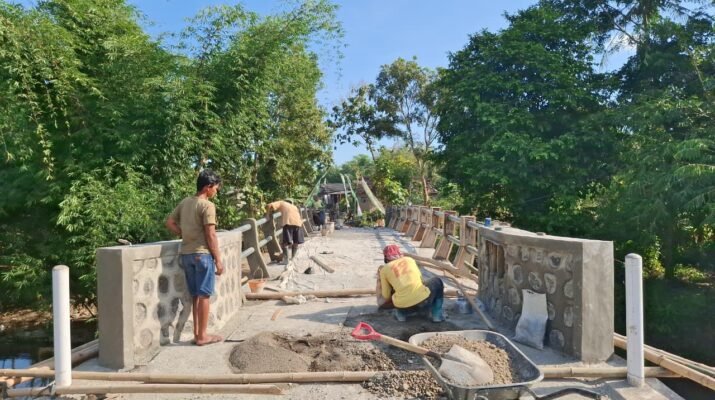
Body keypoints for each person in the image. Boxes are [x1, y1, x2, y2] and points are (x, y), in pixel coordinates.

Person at [165, 169, 224, 346]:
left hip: (187, 255)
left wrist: (184, 234)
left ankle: (198, 334)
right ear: (208, 187)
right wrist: (218, 260)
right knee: (204, 295)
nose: (216, 191)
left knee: (196, 296)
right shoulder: (207, 206)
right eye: (215, 188)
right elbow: (211, 235)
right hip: (202, 255)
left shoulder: (185, 202)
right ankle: (202, 336)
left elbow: (169, 222)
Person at [377, 244, 445, 322]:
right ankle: (437, 316)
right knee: (437, 281)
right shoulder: (409, 260)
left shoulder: (384, 270)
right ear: (399, 253)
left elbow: (386, 295)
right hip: (423, 303)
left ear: (386, 258)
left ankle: (401, 315)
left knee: (394, 288)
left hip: (403, 307)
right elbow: (421, 280)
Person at [266, 198, 304, 265]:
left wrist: (267, 215)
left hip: (288, 222)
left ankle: (286, 260)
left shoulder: (282, 203)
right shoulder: (294, 207)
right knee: (296, 242)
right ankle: (293, 258)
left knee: (285, 242)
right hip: (298, 223)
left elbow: (269, 205)